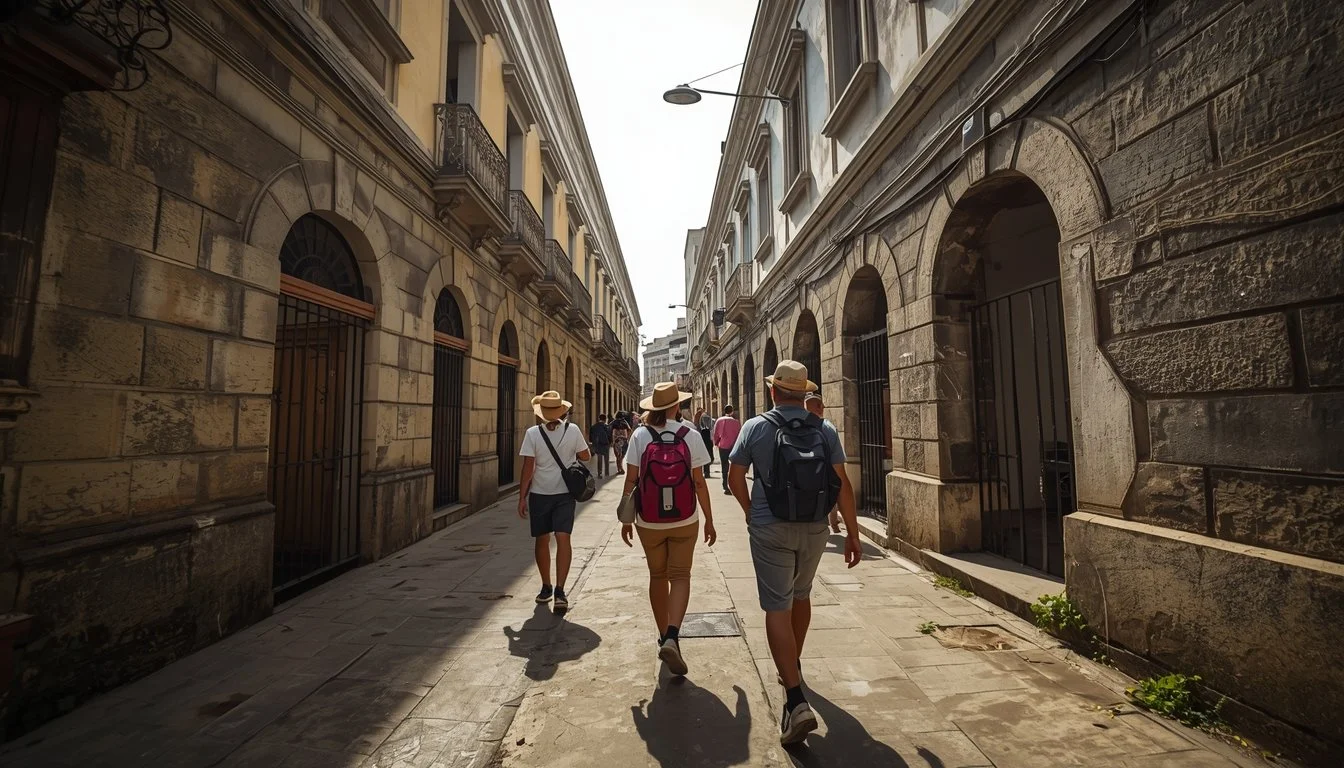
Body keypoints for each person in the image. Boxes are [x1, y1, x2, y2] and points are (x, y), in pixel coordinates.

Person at [728, 361, 861, 745]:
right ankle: (793, 666)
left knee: (776, 606)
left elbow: (735, 478)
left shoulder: (755, 427)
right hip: (816, 528)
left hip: (770, 528)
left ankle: (795, 698)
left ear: (773, 392)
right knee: (801, 595)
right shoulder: (825, 428)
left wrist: (751, 512)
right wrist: (852, 535)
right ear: (805, 393)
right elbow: (843, 485)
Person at [621, 382, 715, 676]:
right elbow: (699, 482)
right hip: (685, 518)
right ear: (676, 406)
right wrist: (709, 520)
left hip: (649, 519)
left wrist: (626, 518)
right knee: (681, 575)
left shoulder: (639, 434)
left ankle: (664, 635)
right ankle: (673, 635)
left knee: (657, 575)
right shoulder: (690, 435)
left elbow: (631, 480)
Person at [519, 390, 592, 610]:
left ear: (541, 413)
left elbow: (528, 467)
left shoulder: (532, 433)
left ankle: (546, 587)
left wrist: (522, 497)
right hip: (565, 494)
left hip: (540, 494)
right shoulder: (573, 430)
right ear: (562, 411)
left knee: (542, 540)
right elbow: (586, 456)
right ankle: (561, 591)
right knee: (563, 539)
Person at [805, 393, 843, 534]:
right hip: (824, 474)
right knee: (831, 498)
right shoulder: (827, 427)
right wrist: (853, 532)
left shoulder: (793, 425)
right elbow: (839, 470)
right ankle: (833, 524)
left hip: (806, 476)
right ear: (820, 407)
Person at [712, 404, 741, 494]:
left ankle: (725, 485)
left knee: (724, 465)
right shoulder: (736, 422)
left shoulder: (719, 420)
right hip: (734, 446)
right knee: (734, 465)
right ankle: (734, 484)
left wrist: (715, 442)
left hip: (723, 445)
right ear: (732, 411)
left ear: (724, 411)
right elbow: (739, 435)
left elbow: (716, 433)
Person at [588, 414, 612, 479]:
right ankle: (607, 473)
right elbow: (610, 435)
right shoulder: (607, 426)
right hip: (606, 444)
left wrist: (592, 443)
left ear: (599, 418)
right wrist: (610, 443)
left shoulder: (594, 426)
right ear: (605, 419)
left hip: (598, 444)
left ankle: (600, 473)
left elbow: (590, 436)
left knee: (599, 458)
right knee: (606, 459)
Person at [695, 407, 714, 478]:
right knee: (707, 456)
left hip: (703, 442)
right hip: (708, 442)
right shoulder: (708, 429)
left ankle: (705, 472)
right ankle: (707, 472)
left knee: (703, 457)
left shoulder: (701, 428)